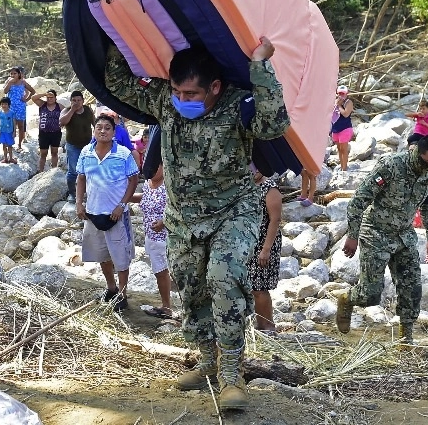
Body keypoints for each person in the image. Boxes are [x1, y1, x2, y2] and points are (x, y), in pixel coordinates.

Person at [105, 36, 289, 411]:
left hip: (233, 213)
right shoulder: (163, 102)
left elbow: (274, 124)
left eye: (192, 93)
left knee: (226, 279)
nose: (183, 100)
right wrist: (111, 32)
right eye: (177, 91)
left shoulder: (238, 105)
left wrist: (260, 65)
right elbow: (119, 84)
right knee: (192, 289)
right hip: (184, 219)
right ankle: (207, 363)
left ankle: (232, 375)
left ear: (215, 87)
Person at [337, 134, 428, 344]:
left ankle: (406, 340)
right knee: (370, 294)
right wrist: (353, 235)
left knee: (412, 288)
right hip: (376, 232)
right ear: (417, 152)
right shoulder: (392, 166)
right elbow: (359, 199)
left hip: (404, 236)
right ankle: (347, 299)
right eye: (427, 161)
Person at [75, 113, 140, 313]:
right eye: (99, 127)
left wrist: (122, 204)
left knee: (120, 257)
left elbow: (133, 179)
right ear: (94, 130)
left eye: (107, 128)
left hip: (116, 215)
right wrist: (79, 203)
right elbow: (81, 178)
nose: (103, 131)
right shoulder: (86, 152)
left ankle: (122, 294)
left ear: (114, 132)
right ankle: (111, 289)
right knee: (102, 254)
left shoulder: (123, 154)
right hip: (93, 214)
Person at [127, 162, 174, 319]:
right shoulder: (147, 184)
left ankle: (170, 307)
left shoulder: (169, 184)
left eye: (156, 166)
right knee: (160, 273)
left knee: (169, 273)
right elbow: (145, 198)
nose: (151, 170)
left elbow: (178, 207)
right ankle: (166, 307)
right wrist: (126, 197)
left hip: (168, 238)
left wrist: (163, 222)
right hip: (151, 236)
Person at [247, 171, 283, 333]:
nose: (252, 172)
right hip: (250, 242)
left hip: (265, 242)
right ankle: (259, 323)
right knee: (251, 285)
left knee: (259, 287)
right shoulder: (247, 186)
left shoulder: (270, 188)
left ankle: (267, 325)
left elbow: (275, 219)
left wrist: (266, 249)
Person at [59, 90, 94, 200]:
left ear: (83, 101)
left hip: (88, 145)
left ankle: (85, 193)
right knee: (73, 171)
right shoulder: (67, 110)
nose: (77, 102)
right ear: (70, 101)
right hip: (73, 146)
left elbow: (95, 122)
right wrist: (72, 110)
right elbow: (62, 122)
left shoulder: (88, 110)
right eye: (74, 100)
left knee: (88, 170)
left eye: (79, 100)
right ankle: (72, 194)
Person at [31, 88, 64, 172]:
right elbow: (33, 98)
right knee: (43, 153)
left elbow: (67, 114)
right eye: (48, 97)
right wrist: (44, 94)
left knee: (54, 152)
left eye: (52, 97)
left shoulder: (59, 106)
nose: (50, 99)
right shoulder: (42, 104)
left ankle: (53, 170)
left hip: (56, 132)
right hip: (43, 133)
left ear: (55, 98)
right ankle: (40, 171)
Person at [3, 67, 33, 153]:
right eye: (11, 74)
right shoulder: (9, 82)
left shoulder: (23, 82)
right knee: (11, 126)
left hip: (20, 107)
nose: (12, 75)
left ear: (19, 74)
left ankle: (20, 144)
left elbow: (32, 91)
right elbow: (5, 91)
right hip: (11, 107)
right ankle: (10, 145)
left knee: (20, 126)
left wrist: (26, 99)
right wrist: (9, 83)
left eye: (14, 73)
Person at [331, 85, 355, 171]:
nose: (341, 95)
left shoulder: (348, 102)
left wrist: (339, 106)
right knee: (339, 149)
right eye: (339, 93)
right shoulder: (334, 101)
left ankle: (344, 168)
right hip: (335, 128)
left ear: (347, 94)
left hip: (345, 128)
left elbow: (345, 114)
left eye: (343, 93)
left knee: (344, 149)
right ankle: (342, 166)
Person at [0, 97, 16, 164]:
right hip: (2, 131)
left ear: (8, 105)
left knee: (10, 145)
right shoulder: (0, 113)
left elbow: (14, 123)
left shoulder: (12, 113)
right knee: (4, 145)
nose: (3, 106)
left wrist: (14, 132)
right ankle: (5, 159)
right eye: (2, 104)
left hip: (9, 132)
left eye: (5, 104)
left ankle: (11, 158)